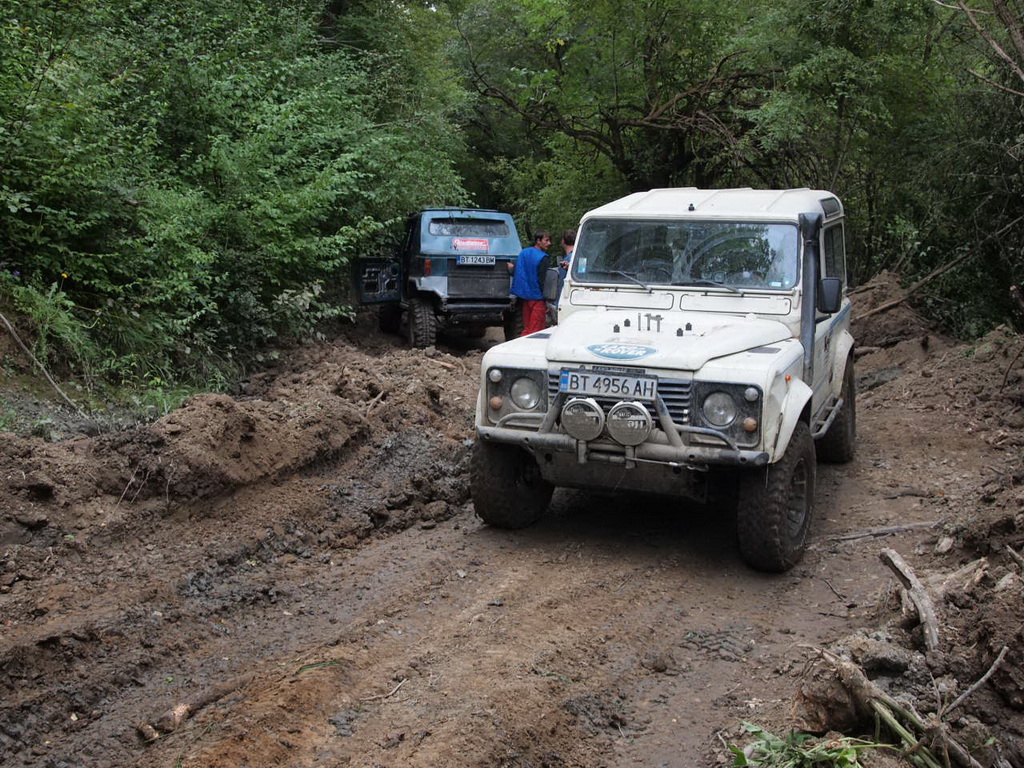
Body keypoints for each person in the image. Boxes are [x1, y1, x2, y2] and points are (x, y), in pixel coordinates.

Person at [509, 229, 552, 336]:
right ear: (538, 241)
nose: (549, 243)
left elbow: (517, 271)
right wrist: (548, 300)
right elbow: (543, 281)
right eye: (546, 240)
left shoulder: (523, 253)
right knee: (536, 331)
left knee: (527, 328)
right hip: (538, 298)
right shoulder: (543, 258)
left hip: (524, 298)